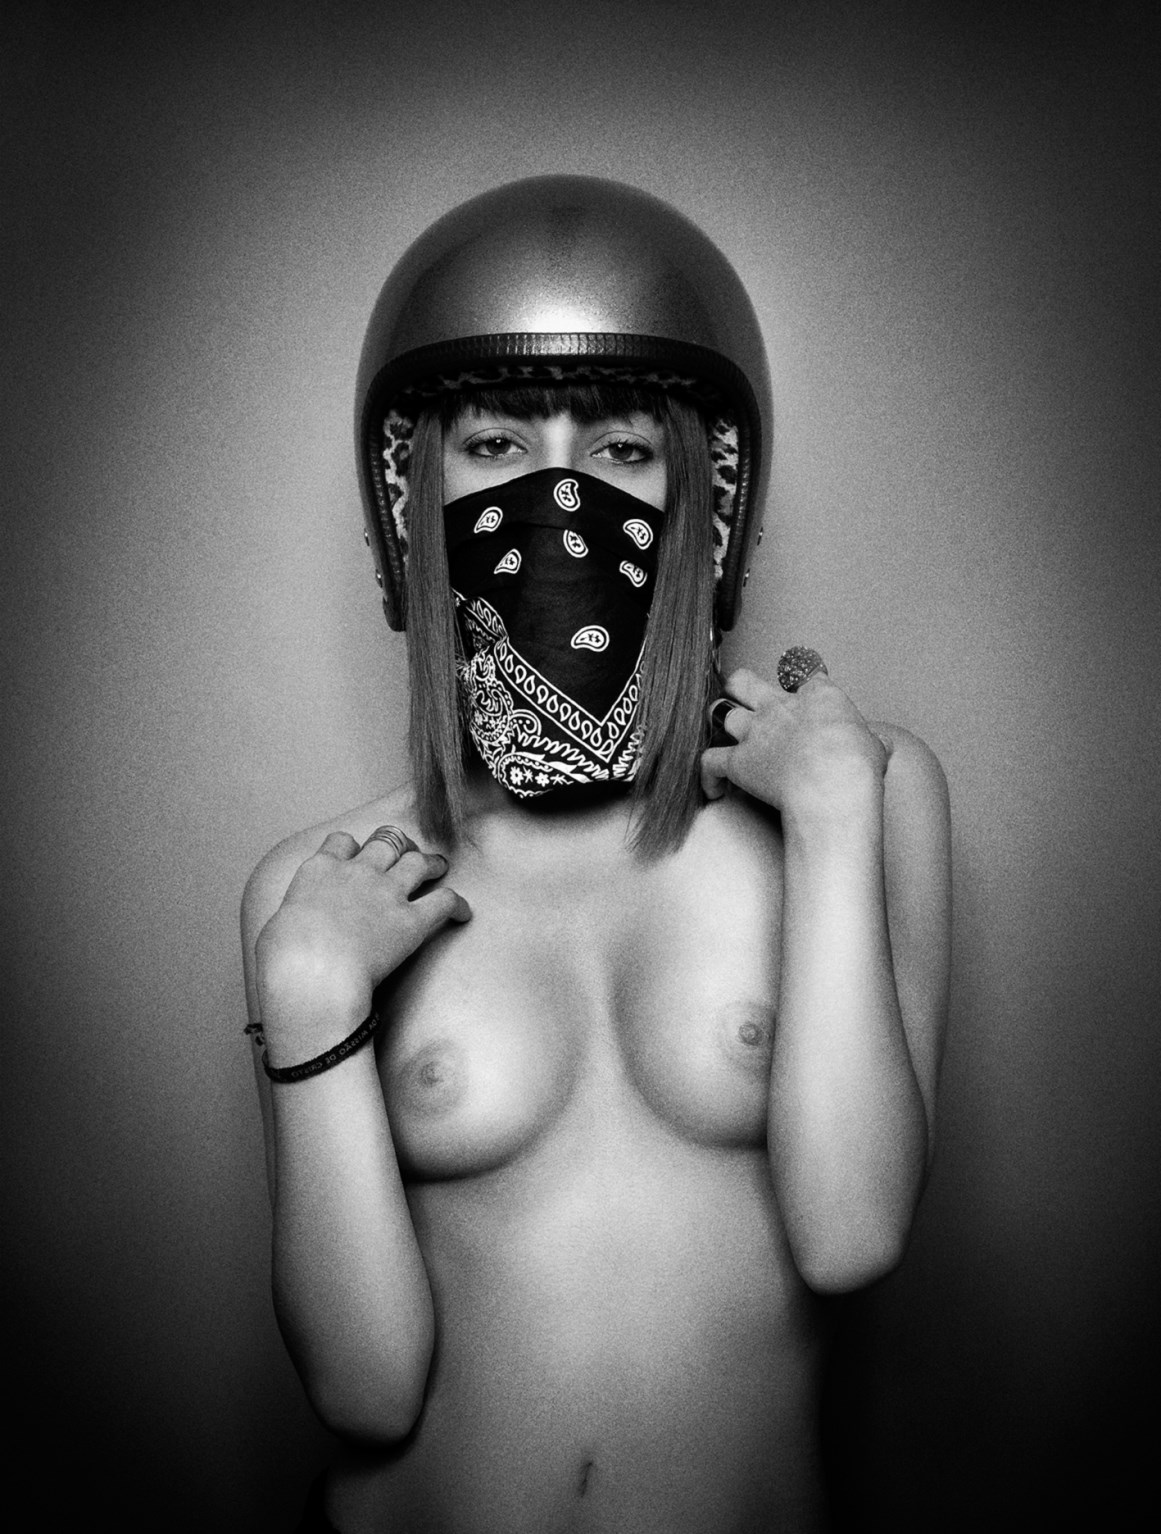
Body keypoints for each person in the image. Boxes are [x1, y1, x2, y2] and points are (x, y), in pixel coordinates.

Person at [241, 176, 951, 1534]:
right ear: (410, 497)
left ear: (707, 500)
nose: (555, 497)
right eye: (494, 443)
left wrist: (833, 818)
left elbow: (851, 1233)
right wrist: (311, 1000)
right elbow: (363, 1395)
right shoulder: (317, 889)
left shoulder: (863, 788)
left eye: (622, 449)